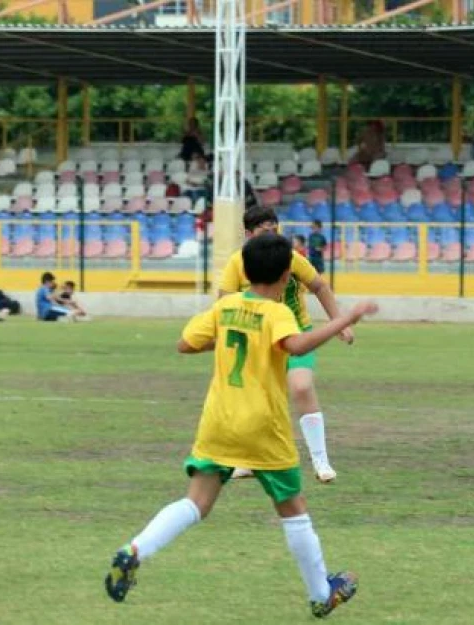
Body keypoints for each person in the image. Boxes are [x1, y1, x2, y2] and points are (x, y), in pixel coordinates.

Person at [103, 233, 376, 618]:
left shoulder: (226, 306)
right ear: (286, 277)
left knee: (195, 502)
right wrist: (346, 318)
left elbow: (184, 343)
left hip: (218, 422)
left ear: (245, 272)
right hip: (263, 427)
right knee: (293, 508)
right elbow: (295, 346)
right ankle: (320, 593)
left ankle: (134, 550)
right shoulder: (278, 312)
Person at [219, 208, 351, 484]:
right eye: (263, 231)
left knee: (301, 387)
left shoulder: (292, 259)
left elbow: (320, 287)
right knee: (256, 400)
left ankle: (321, 462)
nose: (271, 236)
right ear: (248, 234)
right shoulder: (236, 263)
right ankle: (251, 460)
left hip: (296, 335)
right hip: (258, 341)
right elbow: (224, 302)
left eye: (274, 229)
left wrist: (340, 322)